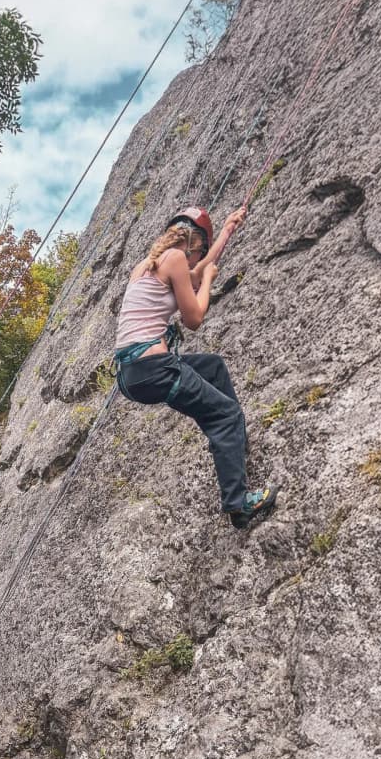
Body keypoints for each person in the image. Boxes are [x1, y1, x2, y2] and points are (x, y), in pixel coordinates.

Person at [114, 205, 278, 529]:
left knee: (212, 367)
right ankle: (238, 503)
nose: (197, 258)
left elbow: (199, 270)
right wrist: (208, 282)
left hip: (132, 374)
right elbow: (194, 318)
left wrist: (228, 230)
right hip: (155, 368)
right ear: (192, 242)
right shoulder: (176, 258)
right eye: (200, 250)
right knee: (225, 414)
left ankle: (233, 441)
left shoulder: (145, 266)